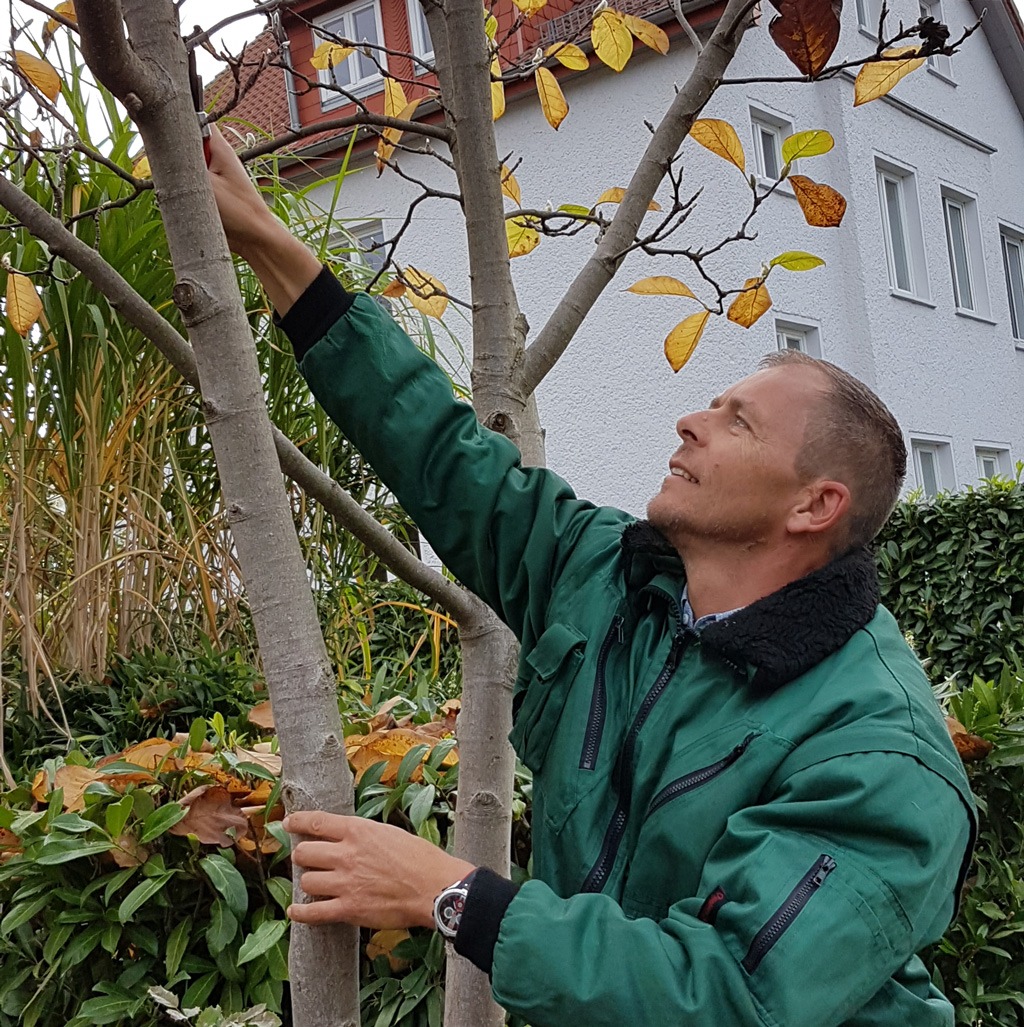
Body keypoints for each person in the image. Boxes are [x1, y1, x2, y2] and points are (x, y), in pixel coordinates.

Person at [207, 127, 976, 1026]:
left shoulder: (879, 753)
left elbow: (731, 993)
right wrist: (266, 238)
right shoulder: (614, 582)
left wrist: (452, 894)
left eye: (738, 423)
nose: (691, 418)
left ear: (815, 506)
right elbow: (443, 456)